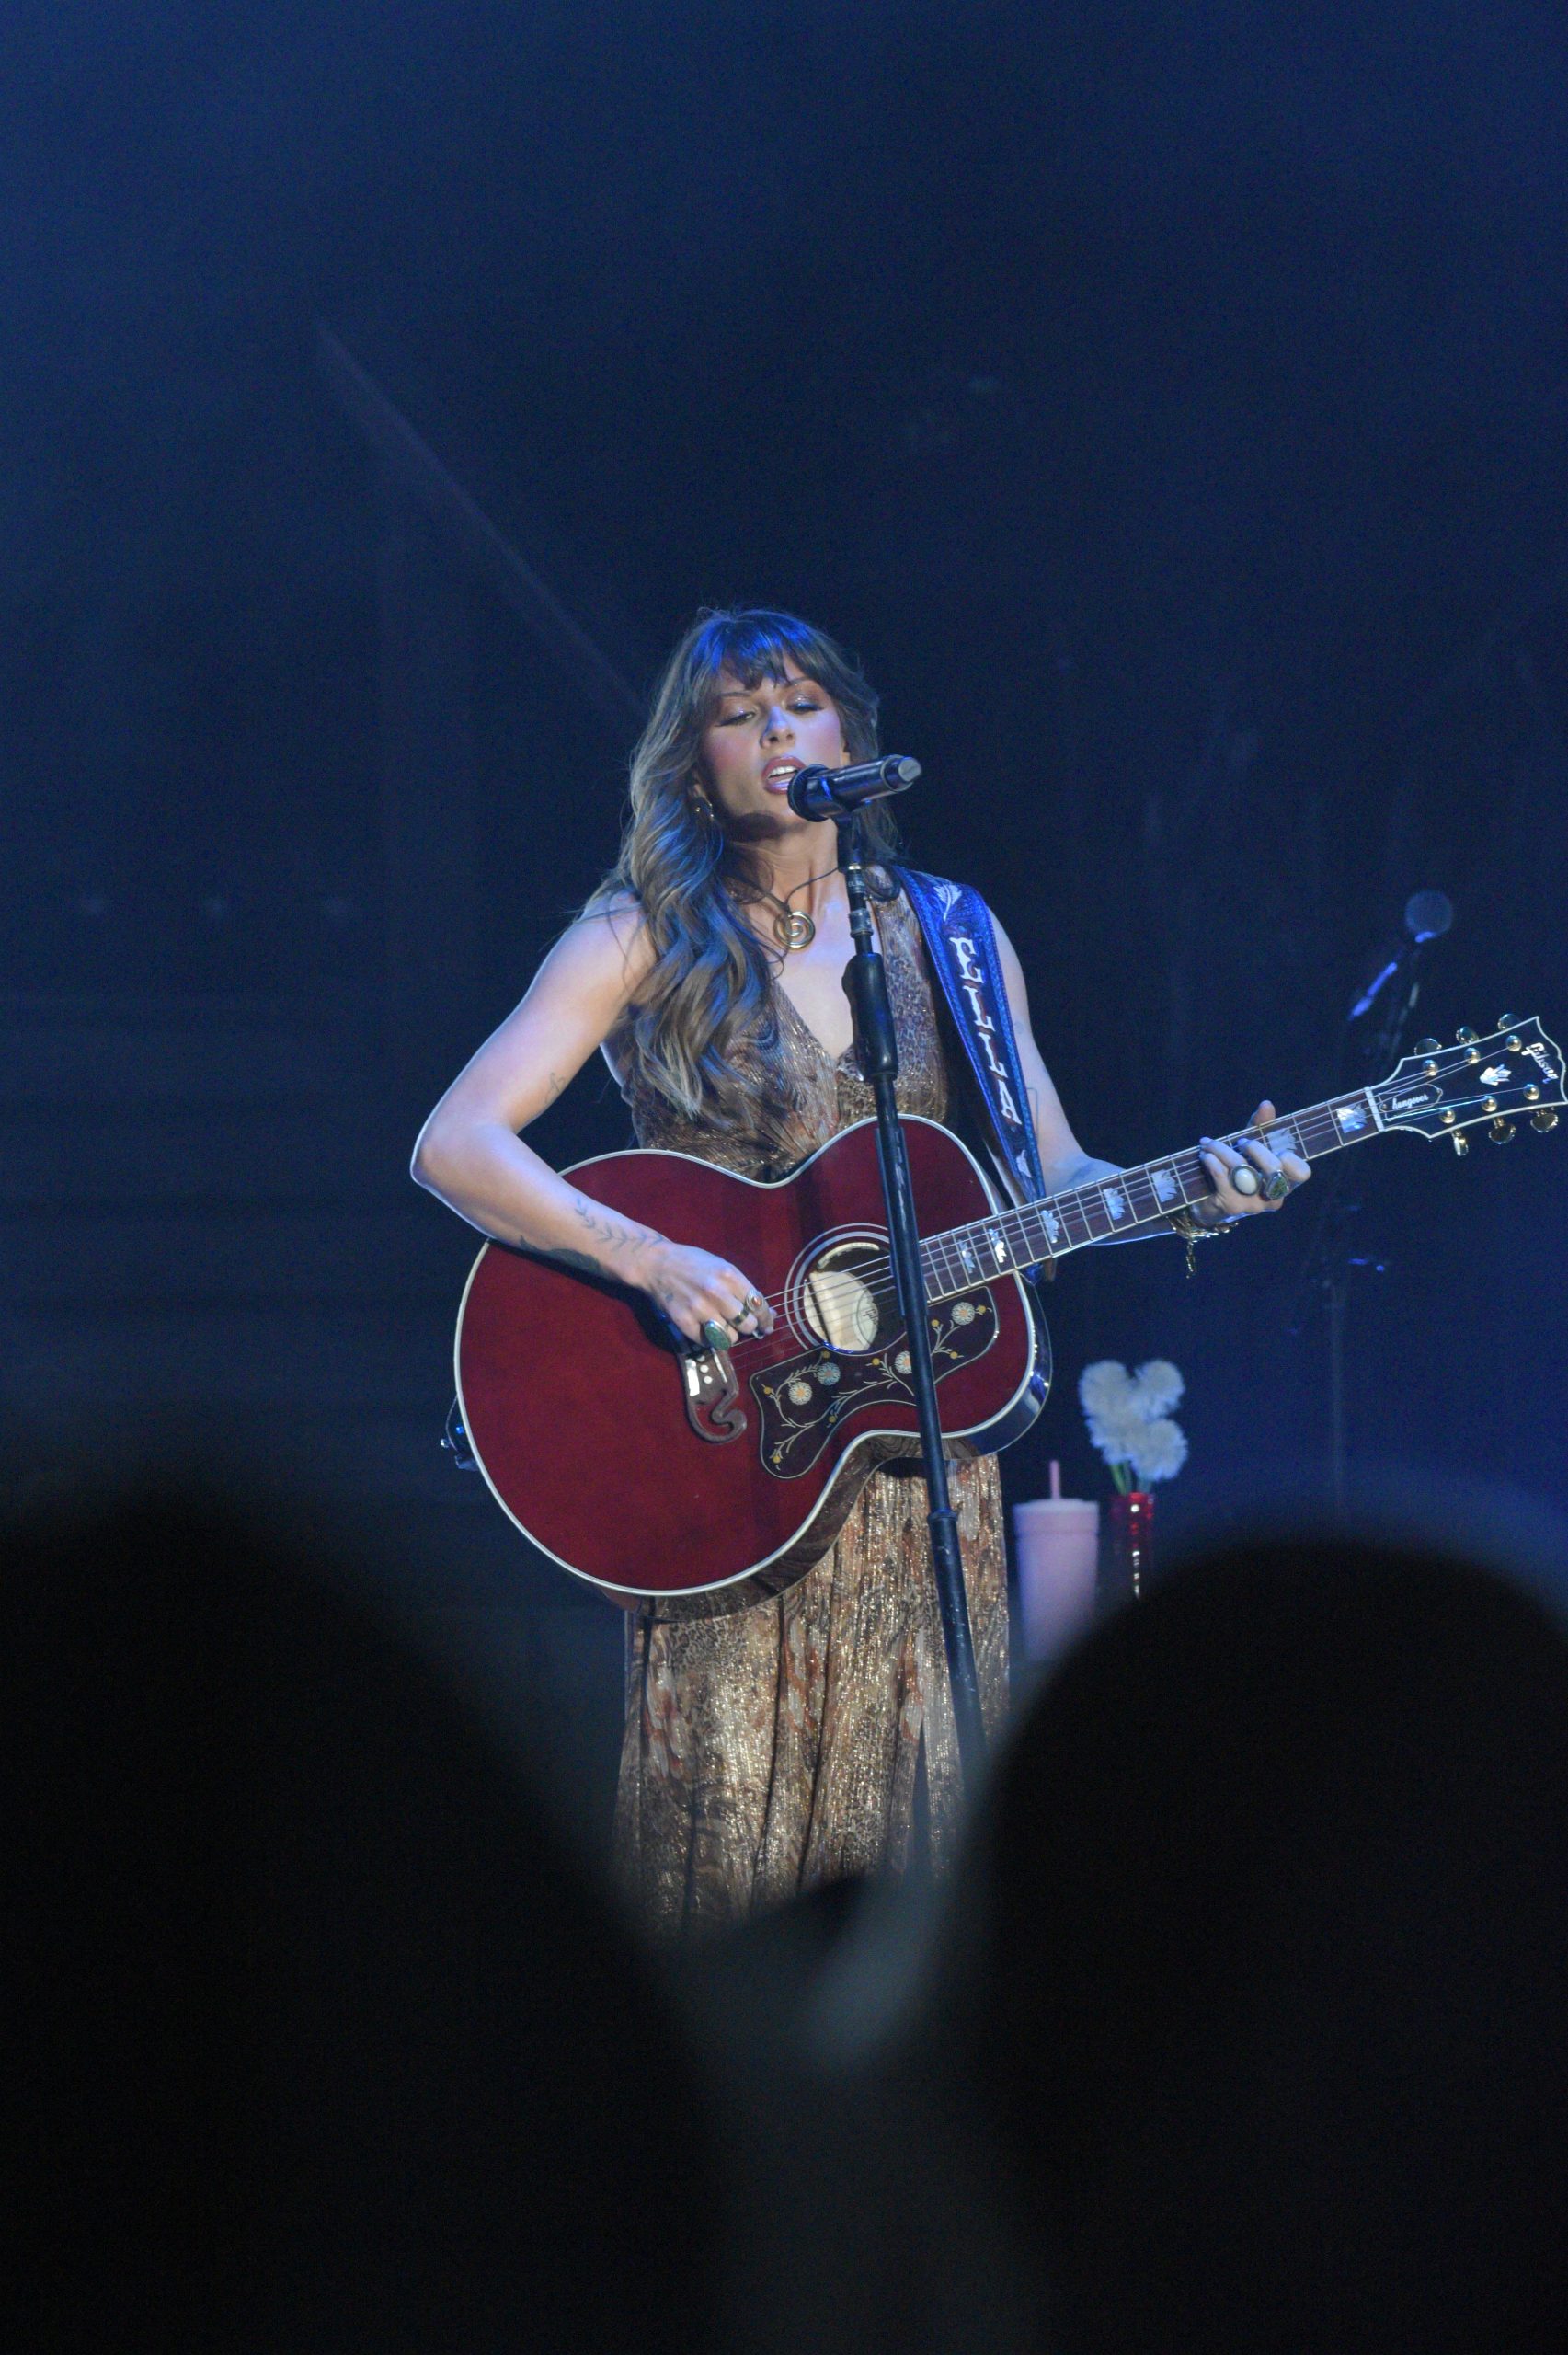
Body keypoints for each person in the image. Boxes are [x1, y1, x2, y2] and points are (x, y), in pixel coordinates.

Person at [412, 608, 1308, 1934]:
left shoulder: (947, 931)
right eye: (739, 713)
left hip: (915, 1452)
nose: (778, 733)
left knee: (923, 1834)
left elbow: (1047, 1180)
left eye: (802, 703)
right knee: (725, 1835)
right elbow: (457, 1141)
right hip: (725, 1451)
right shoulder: (640, 933)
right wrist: (647, 1255)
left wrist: (1197, 1195)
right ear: (696, 759)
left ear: (852, 732)